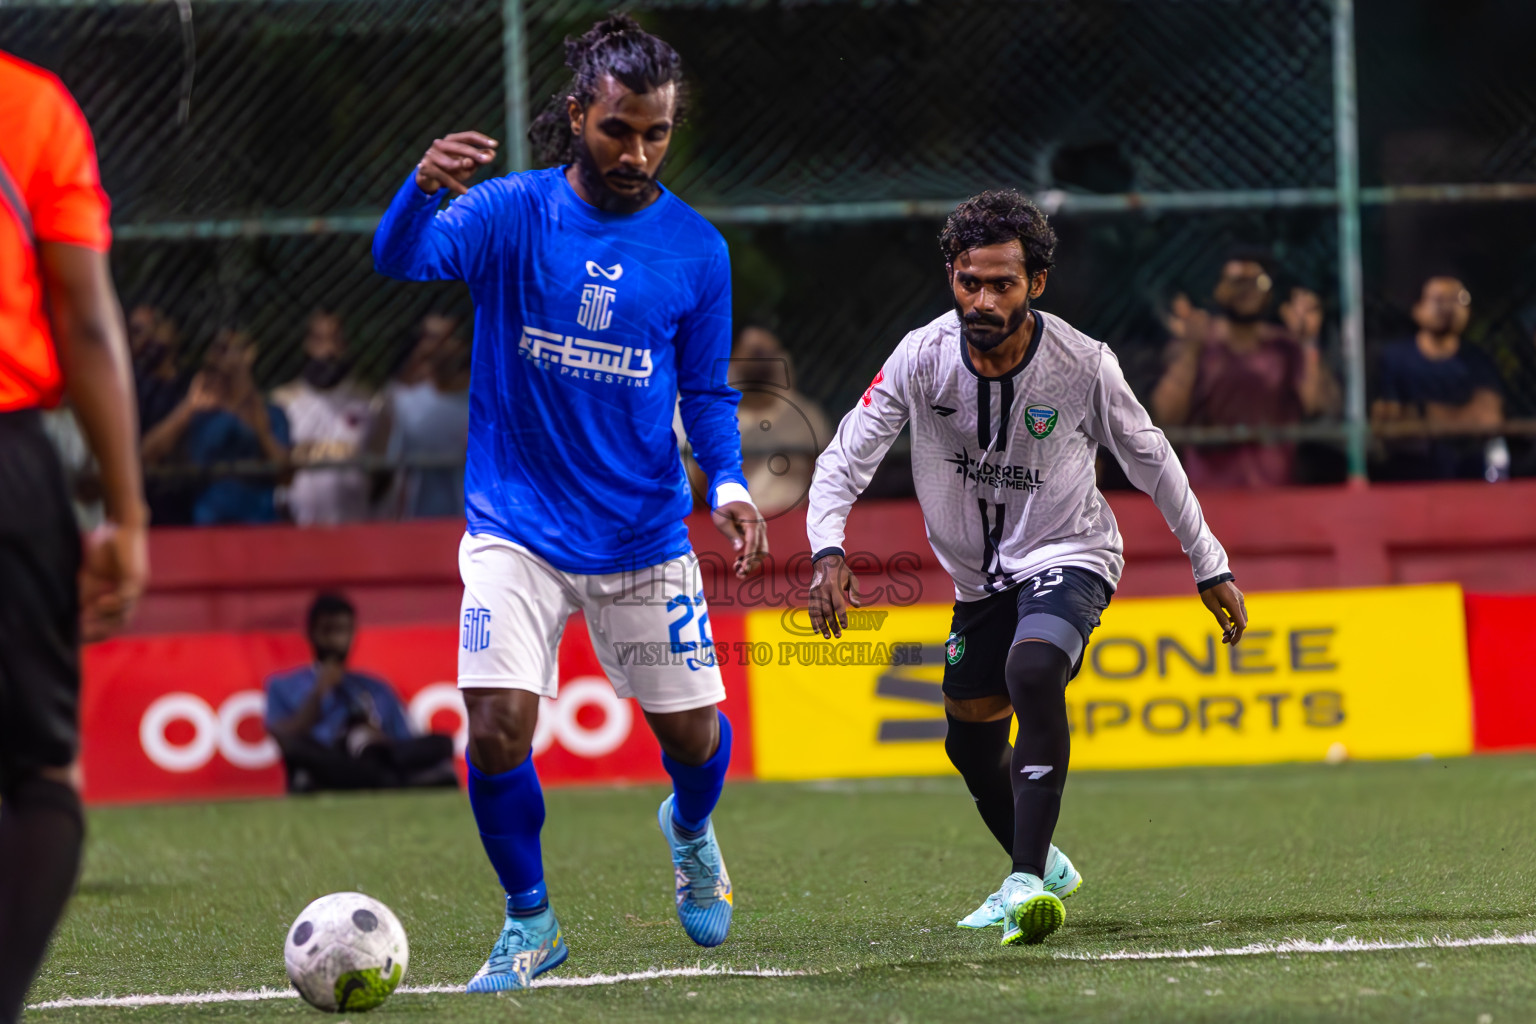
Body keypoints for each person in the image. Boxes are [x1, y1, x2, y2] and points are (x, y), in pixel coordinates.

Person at [372, 15, 766, 991]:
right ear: (577, 113)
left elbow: (706, 392)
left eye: (658, 132)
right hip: (514, 528)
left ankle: (689, 826)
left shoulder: (695, 250)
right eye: (620, 129)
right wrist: (421, 187)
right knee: (496, 724)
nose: (639, 152)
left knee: (697, 742)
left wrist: (726, 482)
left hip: (639, 531)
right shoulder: (510, 214)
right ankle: (530, 922)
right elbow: (400, 258)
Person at [804, 190, 1245, 947]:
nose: (984, 298)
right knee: (969, 744)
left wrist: (1210, 565)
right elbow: (845, 456)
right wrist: (827, 549)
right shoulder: (922, 357)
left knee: (1033, 670)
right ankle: (1047, 868)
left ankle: (1025, 880)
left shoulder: (1082, 365)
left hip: (1071, 550)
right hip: (979, 583)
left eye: (1002, 283)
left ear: (1035, 283)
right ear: (952, 276)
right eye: (970, 281)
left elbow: (1153, 461)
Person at [0, 51, 148, 1024]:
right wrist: (127, 515)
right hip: (6, 460)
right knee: (37, 772)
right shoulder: (28, 104)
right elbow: (85, 321)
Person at [1150, 252, 1330, 488]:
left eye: (1256, 282)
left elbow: (1314, 405)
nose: (1246, 291)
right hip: (1208, 492)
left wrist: (1307, 343)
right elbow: (1166, 416)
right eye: (1236, 282)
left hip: (1274, 488)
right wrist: (1190, 351)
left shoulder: (1286, 347)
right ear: (1219, 288)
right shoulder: (1199, 343)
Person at [264, 593, 457, 793]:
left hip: (373, 755)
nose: (336, 640)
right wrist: (320, 691)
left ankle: (374, 779)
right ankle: (393, 781)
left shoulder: (375, 686)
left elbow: (404, 741)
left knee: (442, 743)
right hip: (330, 759)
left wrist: (375, 737)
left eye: (343, 631)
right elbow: (285, 737)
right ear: (312, 632)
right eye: (328, 631)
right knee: (299, 751)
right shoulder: (282, 685)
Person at [140, 327, 291, 525]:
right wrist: (188, 408)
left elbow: (286, 476)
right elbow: (147, 456)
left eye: (228, 348)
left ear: (249, 354)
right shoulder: (197, 415)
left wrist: (259, 430)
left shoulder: (271, 413)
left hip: (259, 528)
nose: (219, 358)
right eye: (216, 349)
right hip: (207, 531)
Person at [1371, 276, 1504, 481]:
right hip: (1408, 478)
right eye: (1439, 299)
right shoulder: (1393, 358)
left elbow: (1488, 420)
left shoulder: (1478, 359)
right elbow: (1387, 423)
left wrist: (1422, 413)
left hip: (1469, 475)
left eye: (1458, 299)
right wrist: (1462, 419)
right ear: (1417, 308)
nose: (1448, 308)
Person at [271, 310, 379, 525]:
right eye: (320, 340)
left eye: (335, 340)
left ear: (345, 345)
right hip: (297, 529)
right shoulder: (283, 402)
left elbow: (383, 474)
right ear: (307, 345)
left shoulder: (370, 404)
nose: (328, 350)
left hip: (354, 528)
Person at [721, 325, 829, 516]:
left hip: (796, 527)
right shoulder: (717, 420)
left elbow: (827, 479)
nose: (763, 361)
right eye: (755, 353)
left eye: (770, 353)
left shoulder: (806, 416)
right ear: (733, 359)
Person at [379, 313, 471, 519]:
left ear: (461, 346)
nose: (435, 348)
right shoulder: (401, 402)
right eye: (429, 338)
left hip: (468, 527)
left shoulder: (483, 405)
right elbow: (384, 470)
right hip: (414, 526)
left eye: (444, 339)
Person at [126, 304, 194, 524]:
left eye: (154, 326)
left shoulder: (192, 384)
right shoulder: (129, 389)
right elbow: (139, 454)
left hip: (189, 505)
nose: (148, 337)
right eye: (137, 331)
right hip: (143, 503)